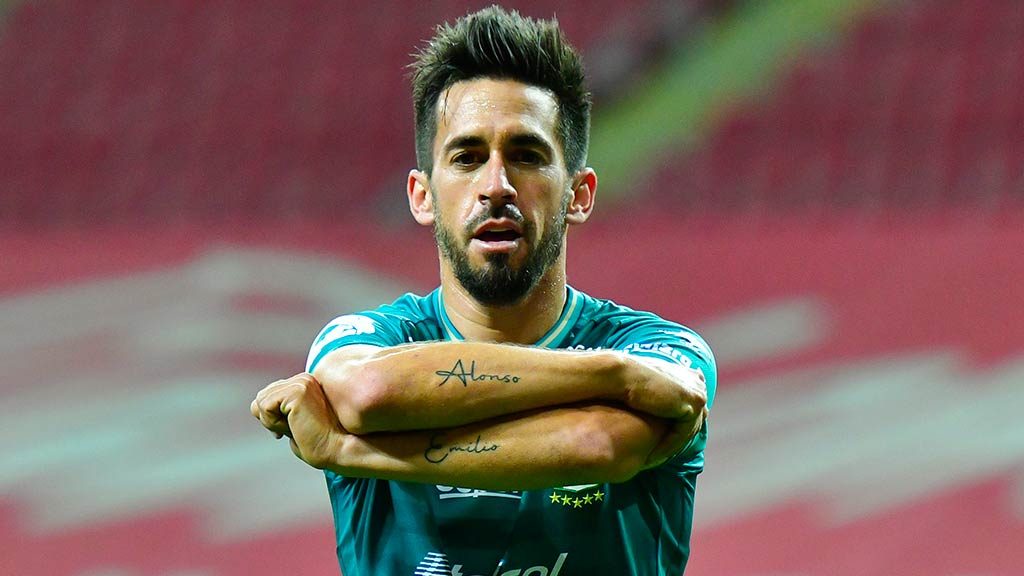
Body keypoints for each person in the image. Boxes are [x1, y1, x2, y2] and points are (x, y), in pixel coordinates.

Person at [251, 6, 716, 575]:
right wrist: (614, 376)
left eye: (526, 156)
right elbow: (369, 393)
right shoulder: (371, 337)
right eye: (467, 158)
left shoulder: (660, 347)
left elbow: (598, 445)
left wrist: (350, 450)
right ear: (422, 195)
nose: (496, 186)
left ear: (579, 194)